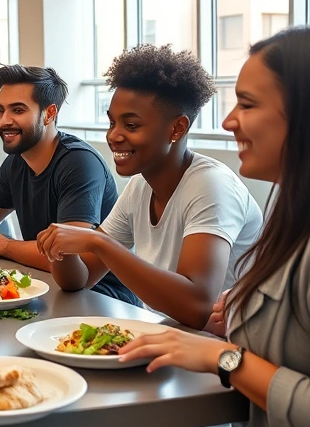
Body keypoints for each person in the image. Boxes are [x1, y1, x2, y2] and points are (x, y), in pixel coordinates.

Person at [103, 25, 310, 427]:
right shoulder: (298, 206)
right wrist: (239, 311)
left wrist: (227, 357)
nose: (228, 121)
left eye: (248, 104)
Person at [35, 45, 263, 329]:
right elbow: (79, 280)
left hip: (223, 350)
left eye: (131, 125)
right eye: (112, 122)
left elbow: (196, 307)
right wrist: (60, 250)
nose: (113, 135)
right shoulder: (139, 186)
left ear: (177, 129)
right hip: (170, 336)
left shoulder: (211, 186)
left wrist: (98, 242)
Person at [0, 64, 136, 304]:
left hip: (102, 298)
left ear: (49, 114)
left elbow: (71, 259)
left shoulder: (79, 163)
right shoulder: (16, 161)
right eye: (0, 110)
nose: (4, 121)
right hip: (42, 285)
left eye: (17, 110)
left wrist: (6, 246)